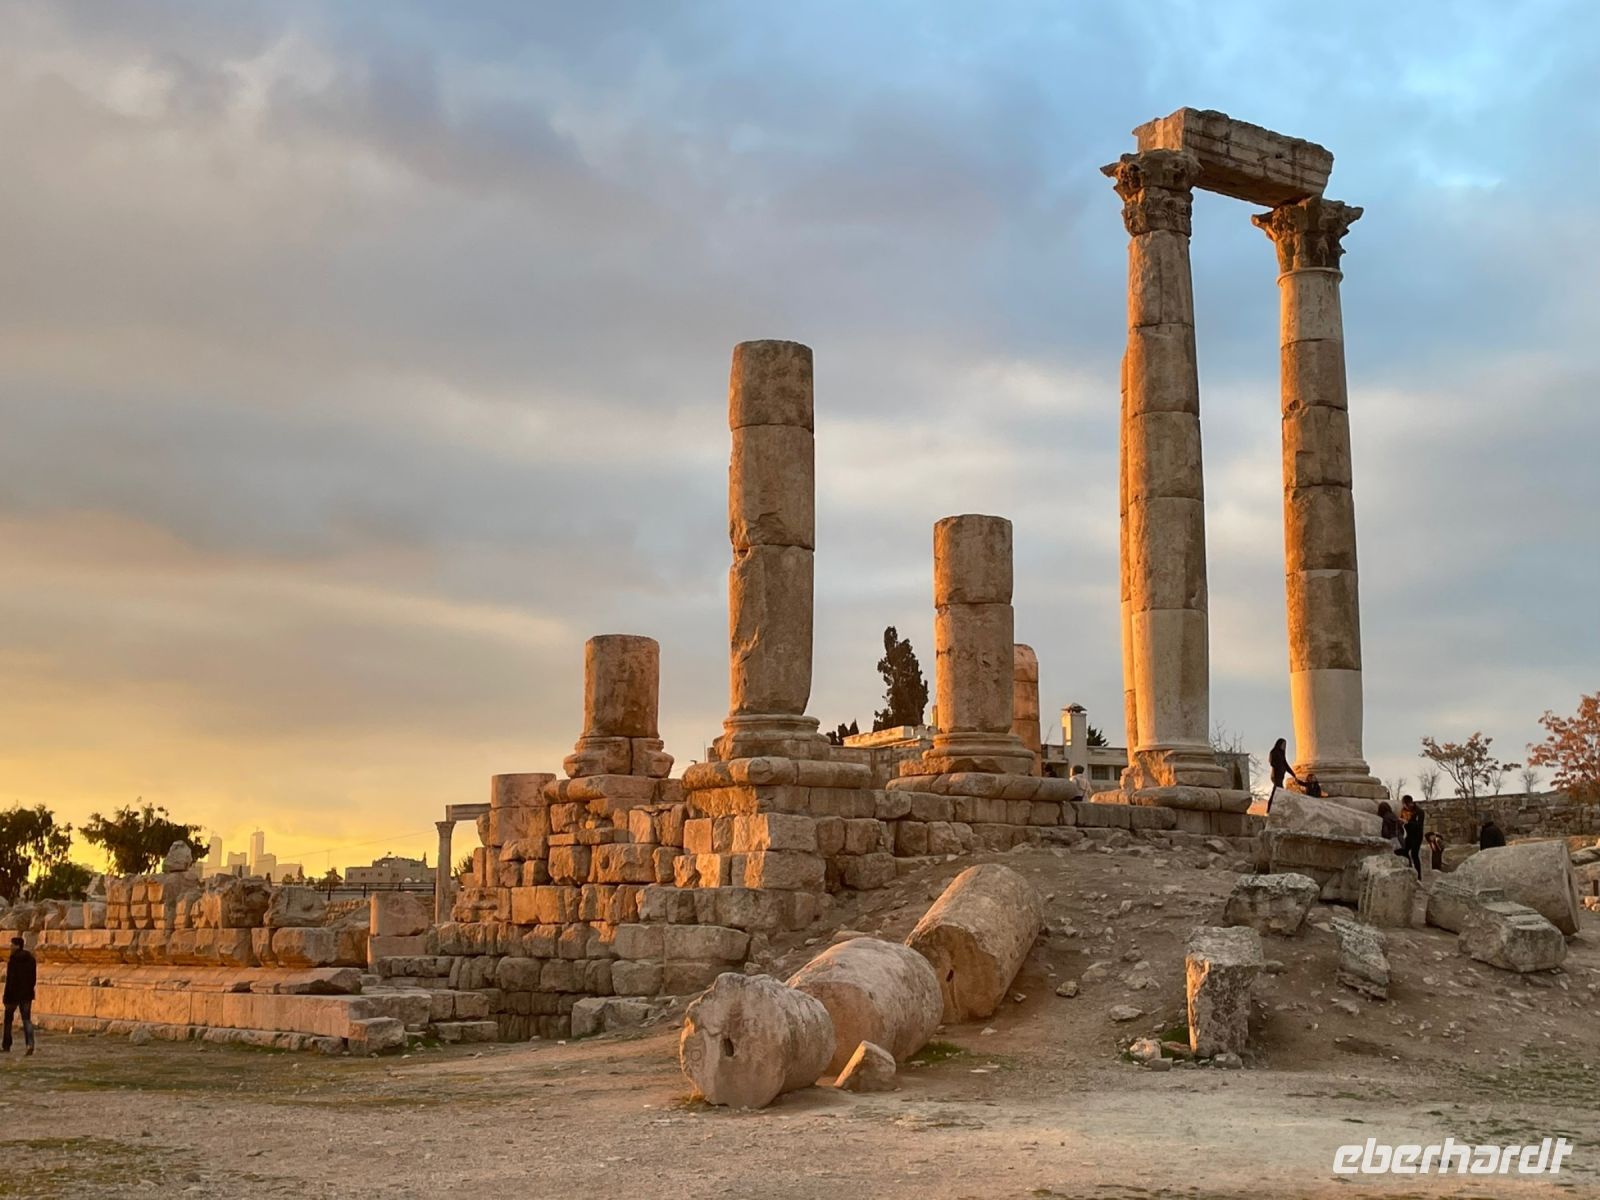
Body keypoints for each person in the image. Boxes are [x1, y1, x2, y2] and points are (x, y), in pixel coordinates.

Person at [3, 935, 36, 1056]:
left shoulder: (13, 960)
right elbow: (33, 978)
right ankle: (30, 1044)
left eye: (12, 945)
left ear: (17, 946)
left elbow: (11, 980)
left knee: (8, 1021)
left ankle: (6, 1045)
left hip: (13, 995)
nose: (10, 947)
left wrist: (6, 996)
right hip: (27, 995)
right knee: (27, 1020)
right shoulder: (31, 959)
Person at [1398, 795, 1425, 880]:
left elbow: (1419, 825)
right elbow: (1402, 820)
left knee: (1414, 854)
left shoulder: (1419, 812)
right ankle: (1409, 867)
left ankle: (1418, 876)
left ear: (1409, 803)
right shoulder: (1404, 811)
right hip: (1409, 835)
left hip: (1417, 836)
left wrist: (1407, 822)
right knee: (1404, 850)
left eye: (1405, 804)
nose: (1404, 806)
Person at [1267, 738, 1298, 812]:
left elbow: (1286, 765)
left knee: (1276, 791)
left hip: (1281, 775)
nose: (1284, 746)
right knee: (1278, 790)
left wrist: (1293, 774)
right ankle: (1270, 808)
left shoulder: (1282, 754)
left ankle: (1273, 808)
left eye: (1285, 745)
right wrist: (1279, 767)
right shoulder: (1274, 752)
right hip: (1276, 775)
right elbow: (1272, 762)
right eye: (1283, 744)